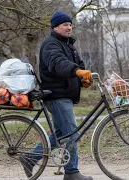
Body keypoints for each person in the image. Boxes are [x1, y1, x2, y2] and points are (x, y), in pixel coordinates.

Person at [20, 11, 93, 180]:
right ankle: (72, 172)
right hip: (57, 96)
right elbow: (58, 64)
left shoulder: (68, 45)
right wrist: (77, 71)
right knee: (72, 134)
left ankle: (30, 158)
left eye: (70, 24)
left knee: (61, 135)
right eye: (65, 25)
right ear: (55, 27)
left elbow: (77, 64)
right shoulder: (51, 45)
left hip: (64, 95)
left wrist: (84, 79)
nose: (69, 27)